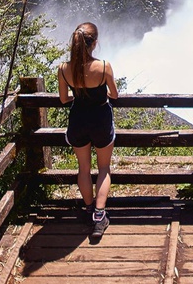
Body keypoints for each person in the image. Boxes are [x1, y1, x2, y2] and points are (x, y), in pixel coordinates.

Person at [57, 22, 118, 239]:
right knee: (104, 169)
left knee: (83, 169)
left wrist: (78, 95)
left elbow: (64, 99)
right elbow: (115, 95)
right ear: (95, 43)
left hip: (78, 119)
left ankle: (89, 209)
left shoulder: (64, 69)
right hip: (101, 119)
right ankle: (100, 217)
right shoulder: (103, 66)